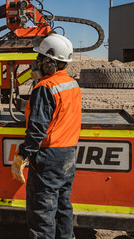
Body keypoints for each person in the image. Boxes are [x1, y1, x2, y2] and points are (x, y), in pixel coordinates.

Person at [11, 34, 82, 239]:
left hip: (48, 158)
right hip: (68, 155)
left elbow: (37, 130)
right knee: (62, 207)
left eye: (39, 60)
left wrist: (22, 155)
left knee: (42, 214)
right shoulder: (72, 84)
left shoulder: (45, 87)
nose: (36, 64)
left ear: (50, 63)